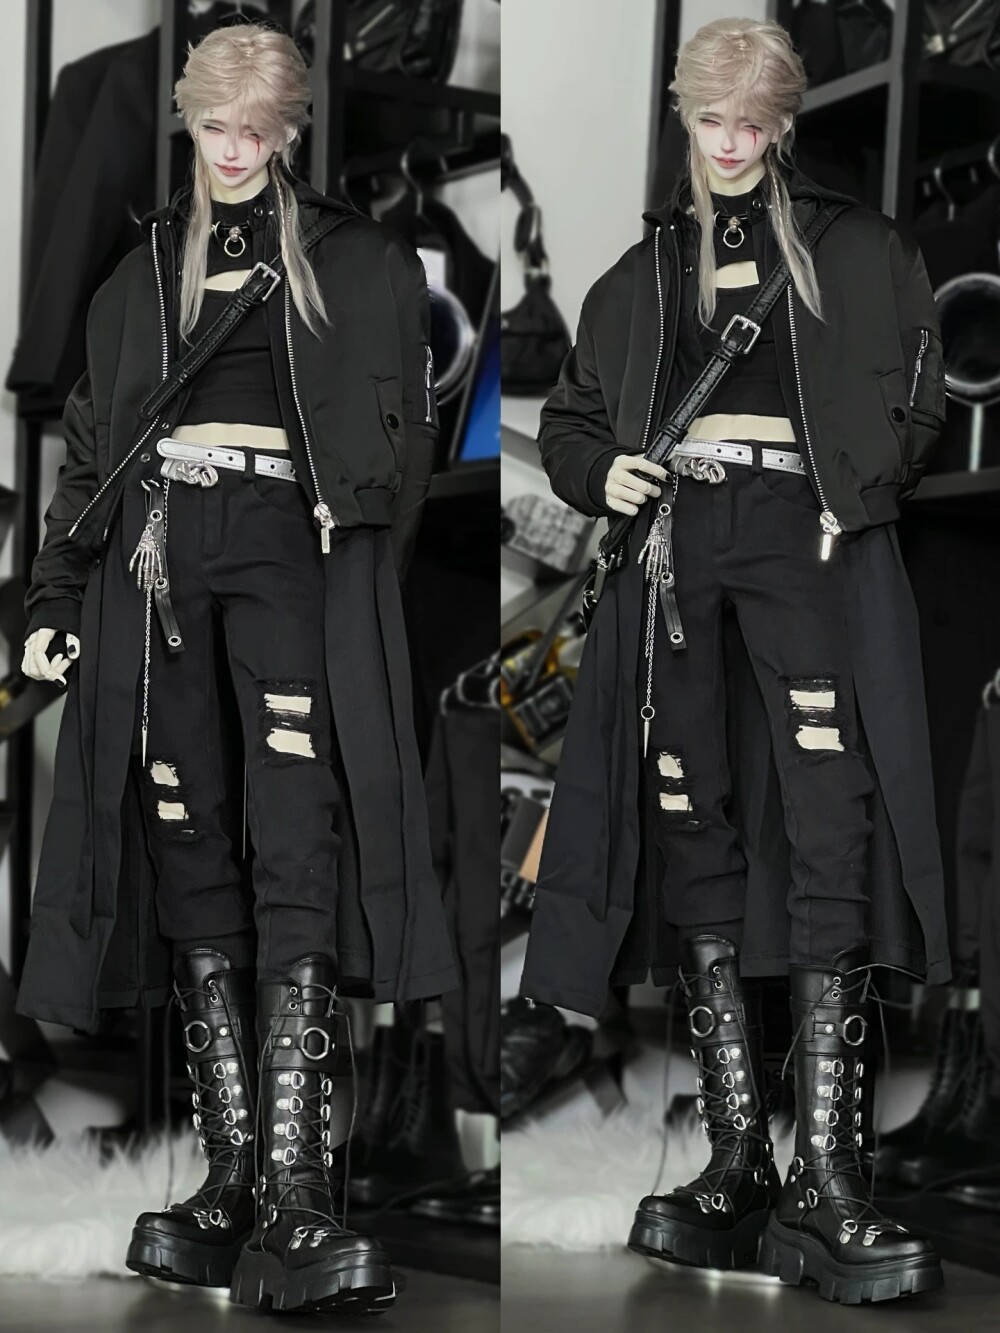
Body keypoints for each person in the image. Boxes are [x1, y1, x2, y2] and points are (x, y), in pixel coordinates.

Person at [18, 22, 456, 1316]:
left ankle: (301, 1190)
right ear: (189, 122)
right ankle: (232, 1177)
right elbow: (91, 450)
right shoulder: (138, 274)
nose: (234, 149)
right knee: (187, 834)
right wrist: (53, 595)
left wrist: (356, 555)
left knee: (298, 835)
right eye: (215, 127)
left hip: (290, 556)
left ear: (291, 130)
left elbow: (406, 446)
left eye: (257, 130)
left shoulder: (360, 262)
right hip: (157, 558)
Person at [519, 16, 949, 1306]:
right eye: (711, 121)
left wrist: (850, 486)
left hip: (806, 540)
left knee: (831, 819)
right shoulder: (643, 272)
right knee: (690, 819)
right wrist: (604, 473)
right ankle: (738, 1160)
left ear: (785, 122)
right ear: (685, 119)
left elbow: (922, 395)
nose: (732, 143)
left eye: (754, 122)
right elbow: (572, 421)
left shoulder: (860, 249)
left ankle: (830, 1178)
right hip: (679, 546)